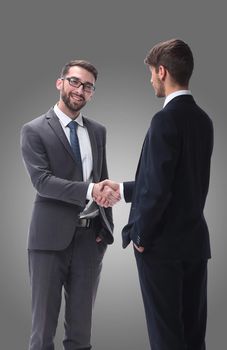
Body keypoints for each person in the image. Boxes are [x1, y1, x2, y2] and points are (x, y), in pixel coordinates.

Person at [100, 39, 214, 350]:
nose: (151, 79)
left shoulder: (165, 119)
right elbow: (178, 184)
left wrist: (140, 236)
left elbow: (159, 188)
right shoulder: (204, 120)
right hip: (193, 245)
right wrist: (122, 190)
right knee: (193, 338)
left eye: (151, 73)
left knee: (166, 339)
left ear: (162, 71)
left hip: (161, 247)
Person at [20, 59, 120, 350]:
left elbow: (101, 178)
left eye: (88, 86)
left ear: (92, 93)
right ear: (60, 82)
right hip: (49, 243)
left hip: (91, 240)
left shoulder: (98, 131)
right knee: (42, 334)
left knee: (81, 335)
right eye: (75, 81)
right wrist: (90, 190)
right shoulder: (34, 130)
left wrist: (106, 228)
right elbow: (43, 182)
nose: (80, 89)